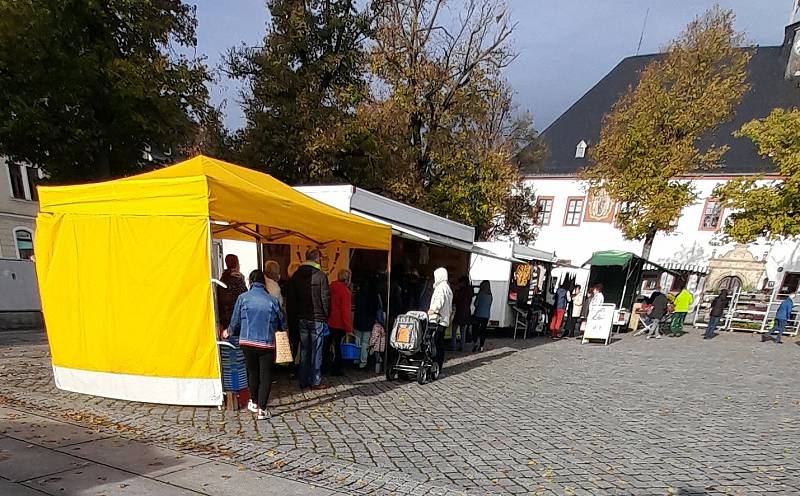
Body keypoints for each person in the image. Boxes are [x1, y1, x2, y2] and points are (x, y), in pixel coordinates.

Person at [224, 270, 286, 420]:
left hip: (247, 342)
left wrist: (229, 331)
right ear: (264, 283)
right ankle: (262, 410)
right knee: (265, 376)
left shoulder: (243, 298)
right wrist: (281, 331)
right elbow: (281, 321)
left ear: (250, 282)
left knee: (252, 373)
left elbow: (236, 320)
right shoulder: (272, 300)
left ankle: (254, 402)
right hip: (266, 344)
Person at [287, 248, 330, 390]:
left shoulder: (296, 276)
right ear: (316, 258)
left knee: (305, 350)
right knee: (316, 351)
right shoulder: (321, 276)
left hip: (302, 318)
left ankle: (303, 379)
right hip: (317, 318)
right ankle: (315, 381)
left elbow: (292, 299)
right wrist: (325, 315)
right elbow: (325, 299)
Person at [326, 269, 353, 376]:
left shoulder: (330, 287)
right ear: (347, 279)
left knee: (326, 346)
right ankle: (336, 369)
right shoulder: (345, 292)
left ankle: (324, 366)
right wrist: (349, 329)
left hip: (329, 321)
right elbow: (345, 311)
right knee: (338, 347)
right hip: (339, 323)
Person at [427, 267, 453, 372]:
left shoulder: (441, 288)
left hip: (437, 320)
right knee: (440, 344)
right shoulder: (448, 288)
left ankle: (434, 364)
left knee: (434, 343)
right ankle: (438, 365)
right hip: (444, 320)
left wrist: (432, 310)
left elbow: (439, 301)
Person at [354, 274, 381, 369]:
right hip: (368, 321)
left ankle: (356, 360)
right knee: (365, 342)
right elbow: (376, 309)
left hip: (358, 320)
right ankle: (363, 363)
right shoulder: (374, 295)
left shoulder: (359, 293)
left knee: (357, 341)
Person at [217, 254, 248, 331]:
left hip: (224, 318)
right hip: (236, 318)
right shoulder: (238, 279)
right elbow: (245, 297)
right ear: (236, 264)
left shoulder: (222, 279)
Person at [450, 276, 473, 351]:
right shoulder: (469, 291)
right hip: (466, 312)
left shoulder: (461, 291)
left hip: (460, 312)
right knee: (463, 331)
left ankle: (453, 346)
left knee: (454, 330)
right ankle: (462, 346)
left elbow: (456, 300)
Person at [472, 280, 493, 352]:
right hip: (486, 315)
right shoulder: (490, 296)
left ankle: (475, 343)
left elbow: (476, 304)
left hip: (478, 314)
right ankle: (481, 346)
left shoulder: (480, 294)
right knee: (483, 331)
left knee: (475, 329)